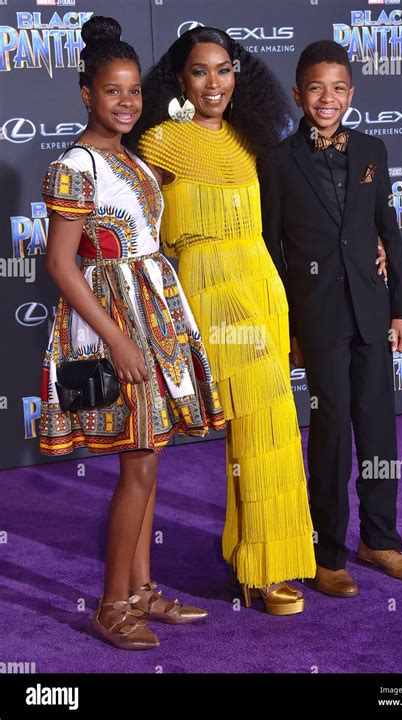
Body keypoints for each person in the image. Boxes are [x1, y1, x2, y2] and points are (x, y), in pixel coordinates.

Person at [40, 16, 225, 649]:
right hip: (113, 328)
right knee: (138, 466)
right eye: (112, 91)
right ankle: (112, 606)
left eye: (134, 92)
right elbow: (62, 266)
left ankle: (142, 591)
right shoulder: (75, 165)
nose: (126, 103)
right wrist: (118, 340)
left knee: (149, 462)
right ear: (86, 93)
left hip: (157, 319)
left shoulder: (134, 159)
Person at [127, 27, 318, 615]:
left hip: (261, 284)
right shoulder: (160, 142)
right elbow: (132, 227)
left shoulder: (252, 140)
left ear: (240, 76)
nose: (214, 83)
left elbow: (286, 221)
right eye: (200, 72)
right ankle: (259, 570)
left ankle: (257, 559)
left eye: (224, 70)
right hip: (209, 292)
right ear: (179, 81)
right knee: (259, 419)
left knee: (271, 425)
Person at [258, 40, 402, 599]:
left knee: (378, 428)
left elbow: (390, 233)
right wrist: (291, 329)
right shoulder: (278, 163)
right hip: (319, 319)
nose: (326, 98)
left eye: (337, 88)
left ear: (351, 93)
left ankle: (379, 539)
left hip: (372, 313)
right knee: (329, 435)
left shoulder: (373, 151)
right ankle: (327, 551)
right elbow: (272, 251)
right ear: (297, 94)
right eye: (315, 87)